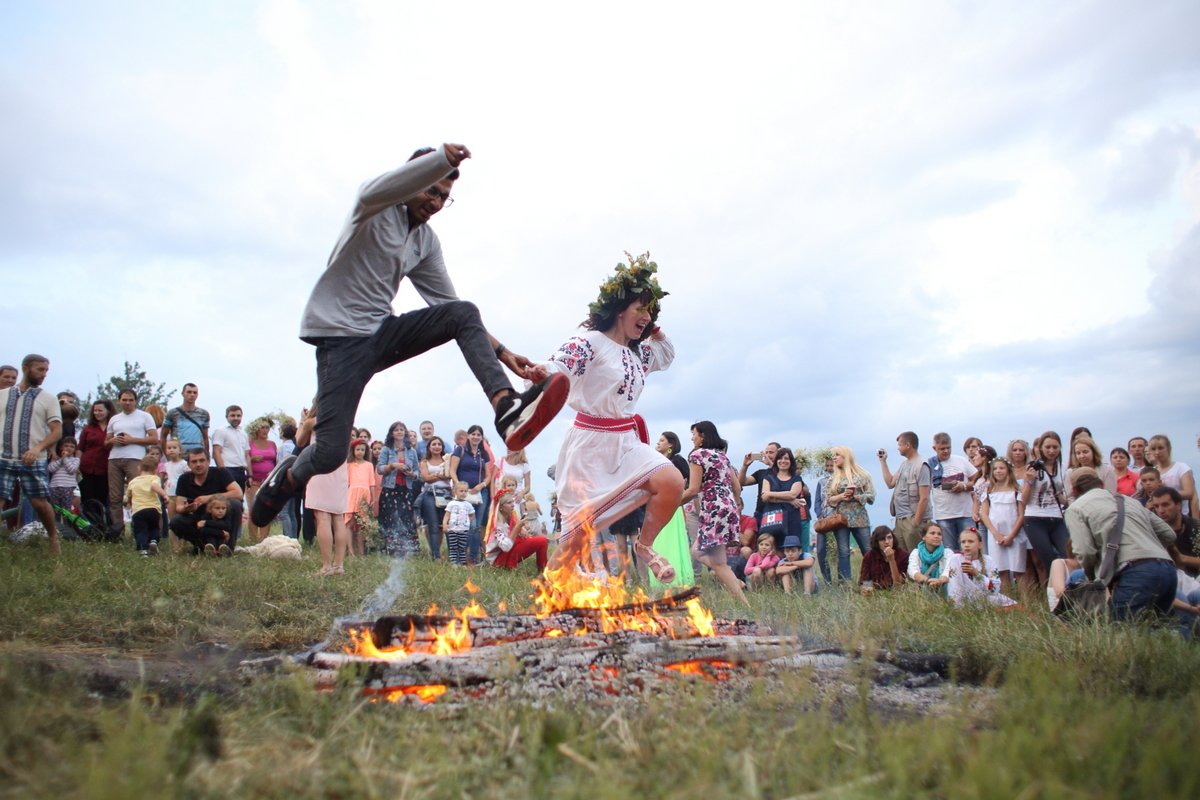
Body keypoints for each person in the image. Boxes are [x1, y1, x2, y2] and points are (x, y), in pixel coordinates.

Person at [250, 144, 568, 530]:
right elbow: (374, 189)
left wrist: (503, 353)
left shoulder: (426, 242)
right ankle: (285, 478)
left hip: (382, 333)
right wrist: (442, 160)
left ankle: (507, 410)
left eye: (443, 198)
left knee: (462, 311)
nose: (435, 202)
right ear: (410, 181)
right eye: (429, 190)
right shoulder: (375, 207)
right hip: (340, 340)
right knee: (330, 453)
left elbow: (449, 304)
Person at [538, 254, 690, 588]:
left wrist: (654, 328)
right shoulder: (592, 343)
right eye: (640, 308)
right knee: (576, 537)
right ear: (619, 309)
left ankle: (644, 545)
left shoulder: (637, 354)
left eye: (650, 311)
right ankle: (550, 590)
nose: (646, 317)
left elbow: (666, 354)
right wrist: (541, 374)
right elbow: (558, 369)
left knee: (671, 482)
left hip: (626, 441)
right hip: (589, 446)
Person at [1065, 467, 1177, 621]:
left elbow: (1084, 552)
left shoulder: (1076, 509)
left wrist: (1094, 578)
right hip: (1167, 570)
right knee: (1158, 632)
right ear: (1101, 484)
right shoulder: (1130, 501)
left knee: (1123, 635)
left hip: (1134, 573)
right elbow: (1169, 534)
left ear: (1074, 489)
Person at [679, 420, 749, 604]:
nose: (692, 437)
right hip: (728, 507)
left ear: (702, 436)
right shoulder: (722, 456)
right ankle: (733, 582)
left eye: (694, 434)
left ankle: (736, 588)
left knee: (714, 561)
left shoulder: (697, 455)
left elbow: (693, 489)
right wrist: (734, 505)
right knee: (698, 552)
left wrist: (674, 504)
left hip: (713, 508)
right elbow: (737, 487)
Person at [0, 355, 63, 554]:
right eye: (40, 370)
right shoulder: (2, 395)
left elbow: (56, 431)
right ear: (26, 368)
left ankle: (53, 537)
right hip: (4, 456)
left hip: (33, 458)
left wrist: (37, 449)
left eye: (46, 370)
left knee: (39, 501)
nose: (44, 374)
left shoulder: (48, 398)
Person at [170, 448, 244, 556]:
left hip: (221, 518)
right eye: (194, 461)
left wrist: (209, 498)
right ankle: (202, 547)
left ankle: (228, 548)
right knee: (176, 521)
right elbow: (179, 506)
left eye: (202, 460)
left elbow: (238, 493)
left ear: (208, 461)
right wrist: (187, 508)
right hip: (198, 519)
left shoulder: (220, 473)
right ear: (189, 465)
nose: (198, 464)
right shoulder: (184, 479)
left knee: (235, 504)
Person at [105, 389, 158, 534]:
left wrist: (132, 439)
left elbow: (154, 438)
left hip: (135, 459)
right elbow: (105, 442)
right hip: (114, 459)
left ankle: (139, 530)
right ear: (119, 401)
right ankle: (118, 531)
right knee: (115, 497)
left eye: (130, 400)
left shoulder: (145, 416)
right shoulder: (114, 418)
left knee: (137, 494)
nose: (127, 403)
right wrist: (112, 440)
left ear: (135, 401)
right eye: (124, 400)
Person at [1022, 431, 1070, 588]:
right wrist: (1029, 481)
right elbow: (1025, 500)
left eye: (1055, 447)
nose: (1051, 450)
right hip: (1035, 518)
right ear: (1041, 448)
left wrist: (1065, 500)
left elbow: (1062, 495)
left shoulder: (1062, 468)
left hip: (1056, 517)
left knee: (1067, 554)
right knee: (1048, 559)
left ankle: (1070, 590)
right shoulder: (1034, 467)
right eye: (1048, 447)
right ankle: (1054, 595)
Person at [823, 445, 876, 582]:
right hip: (841, 520)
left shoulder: (863, 476)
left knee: (868, 550)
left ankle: (872, 580)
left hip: (860, 518)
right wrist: (841, 496)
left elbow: (871, 497)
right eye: (833, 455)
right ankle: (845, 583)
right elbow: (828, 500)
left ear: (846, 457)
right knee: (844, 551)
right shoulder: (832, 479)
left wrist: (857, 496)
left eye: (837, 455)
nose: (834, 458)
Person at [878, 431, 932, 553]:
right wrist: (883, 461)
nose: (898, 448)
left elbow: (924, 498)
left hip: (912, 518)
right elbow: (890, 483)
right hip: (900, 519)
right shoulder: (904, 465)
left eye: (900, 444)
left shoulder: (921, 465)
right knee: (903, 559)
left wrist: (915, 523)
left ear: (908, 445)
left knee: (916, 557)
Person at [980, 457, 1027, 591]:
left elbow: (1021, 514)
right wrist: (995, 533)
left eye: (1001, 468)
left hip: (1015, 534)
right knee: (1001, 570)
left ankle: (1025, 601)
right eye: (995, 468)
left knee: (1018, 570)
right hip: (996, 535)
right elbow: (984, 514)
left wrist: (1011, 535)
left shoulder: (1016, 489)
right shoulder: (988, 491)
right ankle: (1007, 599)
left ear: (1008, 470)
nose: (998, 471)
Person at [450, 424, 492, 564]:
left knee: (477, 527)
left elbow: (488, 475)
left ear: (481, 437)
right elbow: (452, 470)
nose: (475, 437)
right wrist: (459, 486)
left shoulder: (483, 454)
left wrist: (481, 485)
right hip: (464, 494)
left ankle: (473, 559)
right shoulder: (460, 450)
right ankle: (462, 557)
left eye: (478, 434)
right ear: (468, 436)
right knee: (468, 525)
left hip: (480, 493)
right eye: (473, 434)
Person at [927, 432, 977, 551]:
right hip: (944, 515)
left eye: (948, 448)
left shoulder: (961, 461)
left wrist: (964, 486)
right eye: (942, 449)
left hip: (965, 514)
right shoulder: (929, 466)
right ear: (935, 449)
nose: (945, 451)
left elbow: (978, 481)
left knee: (971, 550)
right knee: (950, 553)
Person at [946, 528, 1017, 608]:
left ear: (980, 544)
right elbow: (955, 587)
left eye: (970, 541)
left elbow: (995, 589)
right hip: (965, 602)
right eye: (963, 542)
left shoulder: (989, 560)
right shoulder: (956, 559)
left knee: (1014, 607)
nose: (966, 545)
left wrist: (977, 574)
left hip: (987, 599)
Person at [758, 446, 810, 551]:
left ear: (791, 461)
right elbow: (764, 497)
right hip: (773, 519)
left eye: (786, 458)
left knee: (792, 548)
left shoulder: (796, 479)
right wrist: (789, 500)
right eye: (780, 458)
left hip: (792, 519)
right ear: (776, 461)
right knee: (772, 549)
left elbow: (793, 494)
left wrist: (771, 493)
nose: (783, 461)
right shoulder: (768, 478)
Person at [485, 488, 548, 571]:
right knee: (542, 540)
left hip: (505, 556)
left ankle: (542, 567)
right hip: (498, 561)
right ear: (501, 507)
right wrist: (517, 528)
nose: (513, 505)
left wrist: (522, 531)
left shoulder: (511, 518)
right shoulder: (497, 525)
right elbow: (506, 547)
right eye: (509, 503)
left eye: (512, 502)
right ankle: (543, 569)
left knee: (525, 539)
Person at [1149, 487, 1200, 577]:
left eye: (1165, 505)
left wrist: (1182, 559)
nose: (1160, 511)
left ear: (1178, 505)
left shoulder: (1196, 527)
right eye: (1156, 506)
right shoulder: (1151, 531)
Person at [125, 454, 169, 556]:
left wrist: (128, 503)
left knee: (141, 530)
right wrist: (164, 494)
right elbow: (154, 486)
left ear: (139, 468)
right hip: (153, 509)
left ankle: (143, 549)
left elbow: (128, 497)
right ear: (155, 470)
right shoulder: (154, 478)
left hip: (138, 511)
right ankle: (154, 541)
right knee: (154, 527)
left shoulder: (133, 482)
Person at [77, 400, 114, 518]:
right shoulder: (88, 428)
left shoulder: (114, 427)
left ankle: (102, 526)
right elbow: (80, 448)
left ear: (108, 411)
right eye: (95, 411)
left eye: (100, 410)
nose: (97, 413)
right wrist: (77, 464)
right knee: (87, 498)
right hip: (86, 468)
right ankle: (89, 526)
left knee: (103, 498)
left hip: (105, 469)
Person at [1146, 435, 1197, 519]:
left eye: (1161, 448)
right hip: (1160, 518)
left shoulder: (1181, 467)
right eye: (1153, 449)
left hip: (1183, 516)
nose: (1157, 452)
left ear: (1169, 448)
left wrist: (1164, 494)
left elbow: (1189, 492)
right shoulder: (1153, 472)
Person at [418, 435, 452, 560]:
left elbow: (450, 475)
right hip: (429, 494)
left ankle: (452, 555)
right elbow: (426, 478)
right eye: (434, 444)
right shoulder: (424, 461)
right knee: (432, 525)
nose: (437, 446)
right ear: (429, 447)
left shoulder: (448, 460)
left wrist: (435, 475)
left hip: (446, 494)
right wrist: (442, 475)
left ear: (442, 447)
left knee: (446, 525)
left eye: (439, 444)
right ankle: (436, 555)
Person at [245, 416, 277, 540]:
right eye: (262, 427)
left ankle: (264, 538)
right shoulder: (249, 443)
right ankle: (253, 538)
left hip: (268, 482)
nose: (265, 430)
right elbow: (244, 459)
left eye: (267, 428)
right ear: (256, 429)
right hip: (253, 481)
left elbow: (276, 461)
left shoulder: (272, 444)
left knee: (266, 509)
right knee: (253, 509)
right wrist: (252, 459)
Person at [345, 439, 377, 555]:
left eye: (362, 450)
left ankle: (361, 551)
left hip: (364, 494)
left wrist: (373, 498)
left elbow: (372, 483)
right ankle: (350, 551)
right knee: (349, 523)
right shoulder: (349, 465)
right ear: (353, 451)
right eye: (357, 449)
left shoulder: (369, 465)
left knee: (362, 525)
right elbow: (346, 483)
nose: (360, 452)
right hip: (352, 494)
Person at [160, 383, 210, 455]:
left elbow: (205, 437)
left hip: (198, 455)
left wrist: (207, 455)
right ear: (183, 393)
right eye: (189, 392)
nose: (192, 395)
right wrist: (167, 455)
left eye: (194, 392)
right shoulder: (172, 413)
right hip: (178, 455)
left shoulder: (204, 414)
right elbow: (163, 436)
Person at [212, 405, 250, 492]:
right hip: (228, 469)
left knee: (239, 500)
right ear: (227, 417)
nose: (236, 418)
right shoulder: (221, 431)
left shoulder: (243, 433)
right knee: (228, 501)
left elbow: (247, 455)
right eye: (233, 415)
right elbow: (216, 452)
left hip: (241, 471)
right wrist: (223, 472)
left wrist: (250, 475)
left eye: (238, 415)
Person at [858, 525, 908, 592]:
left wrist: (891, 560)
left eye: (889, 538)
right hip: (875, 592)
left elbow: (898, 584)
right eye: (882, 539)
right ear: (877, 541)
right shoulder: (869, 556)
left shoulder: (903, 555)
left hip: (896, 592)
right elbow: (865, 581)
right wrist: (868, 589)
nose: (887, 542)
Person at [908, 522, 952, 595]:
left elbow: (948, 571)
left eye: (939, 534)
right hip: (921, 593)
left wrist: (939, 581)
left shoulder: (948, 552)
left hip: (945, 591)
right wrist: (928, 580)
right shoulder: (916, 552)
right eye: (932, 533)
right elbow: (913, 571)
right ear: (924, 537)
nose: (936, 536)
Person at [812, 454, 835, 584]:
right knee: (820, 550)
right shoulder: (821, 482)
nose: (829, 468)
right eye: (827, 466)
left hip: (837, 519)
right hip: (824, 520)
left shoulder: (842, 480)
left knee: (838, 550)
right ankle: (827, 579)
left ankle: (841, 578)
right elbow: (817, 501)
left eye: (831, 465)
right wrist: (820, 514)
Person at [442, 481, 475, 567]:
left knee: (462, 547)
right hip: (453, 529)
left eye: (465, 491)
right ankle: (454, 562)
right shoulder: (451, 504)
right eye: (461, 491)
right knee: (453, 546)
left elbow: (471, 515)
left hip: (463, 530)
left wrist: (467, 522)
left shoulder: (468, 505)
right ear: (455, 491)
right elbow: (447, 515)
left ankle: (462, 562)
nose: (463, 493)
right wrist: (445, 524)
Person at [47, 436, 80, 519]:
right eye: (66, 445)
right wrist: (61, 459)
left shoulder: (76, 460)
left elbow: (71, 470)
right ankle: (57, 528)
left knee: (67, 510)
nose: (68, 448)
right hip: (54, 487)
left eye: (72, 446)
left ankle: (68, 528)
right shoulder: (56, 459)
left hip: (68, 488)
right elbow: (50, 469)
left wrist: (64, 459)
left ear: (75, 449)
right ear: (61, 447)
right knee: (55, 510)